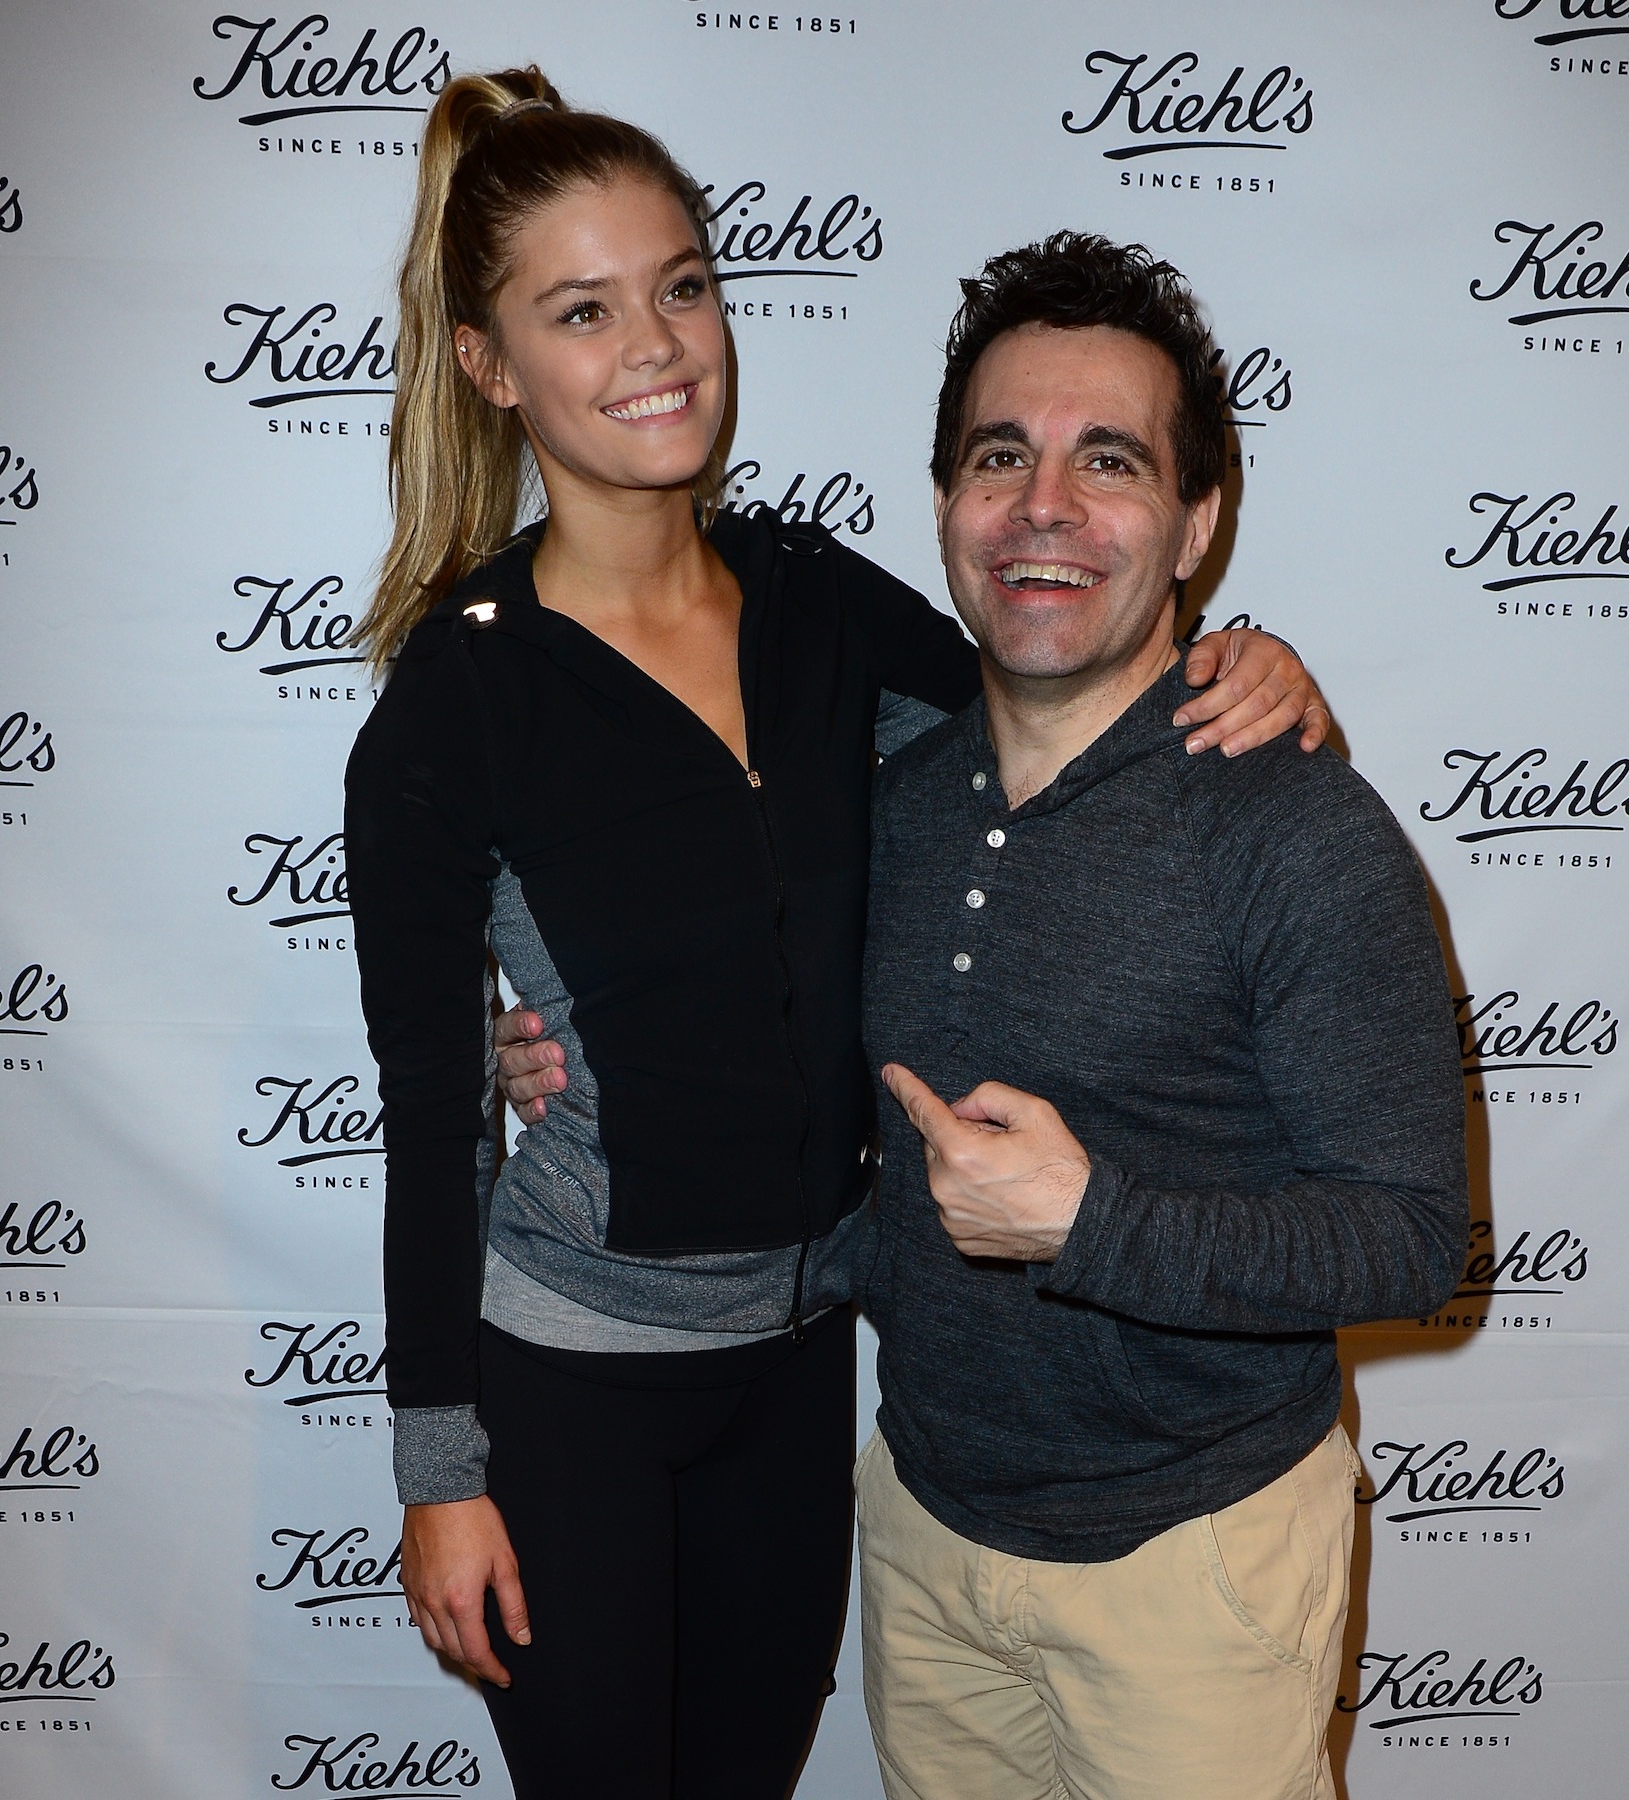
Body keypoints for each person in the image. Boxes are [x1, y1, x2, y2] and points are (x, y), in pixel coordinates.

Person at [346, 65, 1327, 1800]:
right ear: (492, 366)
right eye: (583, 311)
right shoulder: (456, 699)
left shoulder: (815, 601)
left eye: (682, 286)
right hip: (572, 1386)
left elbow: (1061, 709)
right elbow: (427, 1130)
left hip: (806, 1373)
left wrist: (1229, 658)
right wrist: (441, 1475)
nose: (657, 346)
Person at [847, 234, 1469, 1800]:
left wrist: (1091, 1224)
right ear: (946, 503)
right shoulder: (890, 804)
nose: (1043, 505)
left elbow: (1410, 1240)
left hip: (1194, 1574)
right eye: (1000, 455)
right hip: (923, 1538)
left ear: (1197, 521)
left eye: (1108, 460)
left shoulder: (1300, 831)